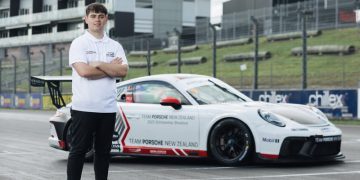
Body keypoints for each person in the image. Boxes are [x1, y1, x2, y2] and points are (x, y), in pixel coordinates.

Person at [67, 3, 128, 180]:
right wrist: (110, 69)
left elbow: (123, 72)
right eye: (93, 16)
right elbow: (84, 72)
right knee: (78, 151)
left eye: (101, 16)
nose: (97, 20)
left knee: (103, 153)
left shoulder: (115, 45)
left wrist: (99, 64)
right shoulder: (79, 43)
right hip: (83, 107)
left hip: (107, 108)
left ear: (106, 19)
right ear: (86, 19)